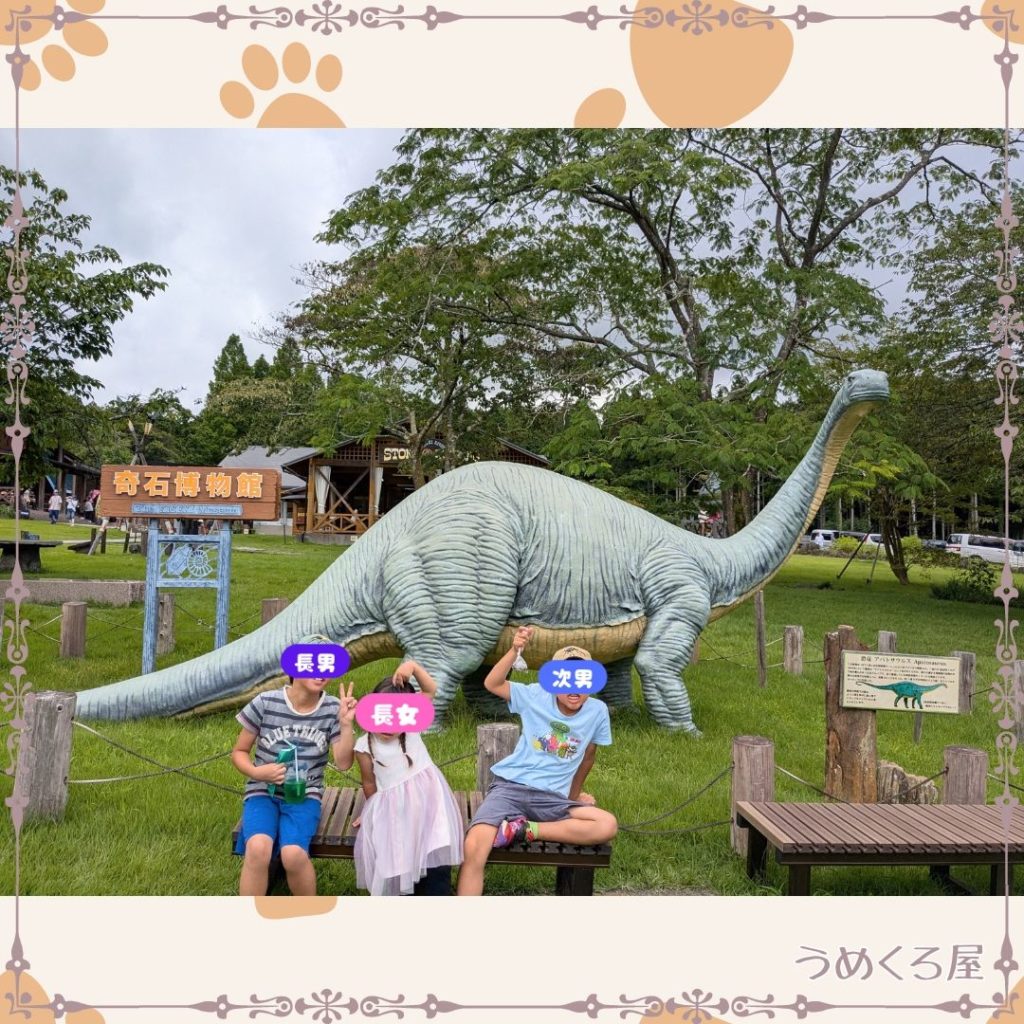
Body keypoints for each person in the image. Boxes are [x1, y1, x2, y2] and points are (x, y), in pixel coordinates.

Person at [457, 628, 617, 896]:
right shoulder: (535, 696)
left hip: (552, 799)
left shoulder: (597, 711)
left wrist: (573, 797)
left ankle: (526, 830)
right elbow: (493, 683)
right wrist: (514, 650)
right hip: (510, 787)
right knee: (474, 846)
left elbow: (588, 757)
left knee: (606, 825)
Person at [232, 677, 357, 896]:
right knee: (258, 847)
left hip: (304, 795)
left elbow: (344, 763)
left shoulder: (333, 708)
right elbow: (239, 751)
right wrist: (256, 772)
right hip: (262, 792)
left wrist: (346, 725)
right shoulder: (265, 702)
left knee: (293, 854)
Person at [352, 661, 464, 895]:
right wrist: (371, 811)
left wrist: (412, 666)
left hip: (429, 812)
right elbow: (369, 782)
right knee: (399, 867)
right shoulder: (364, 745)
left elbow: (430, 690)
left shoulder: (412, 728)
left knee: (435, 872)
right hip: (395, 816)